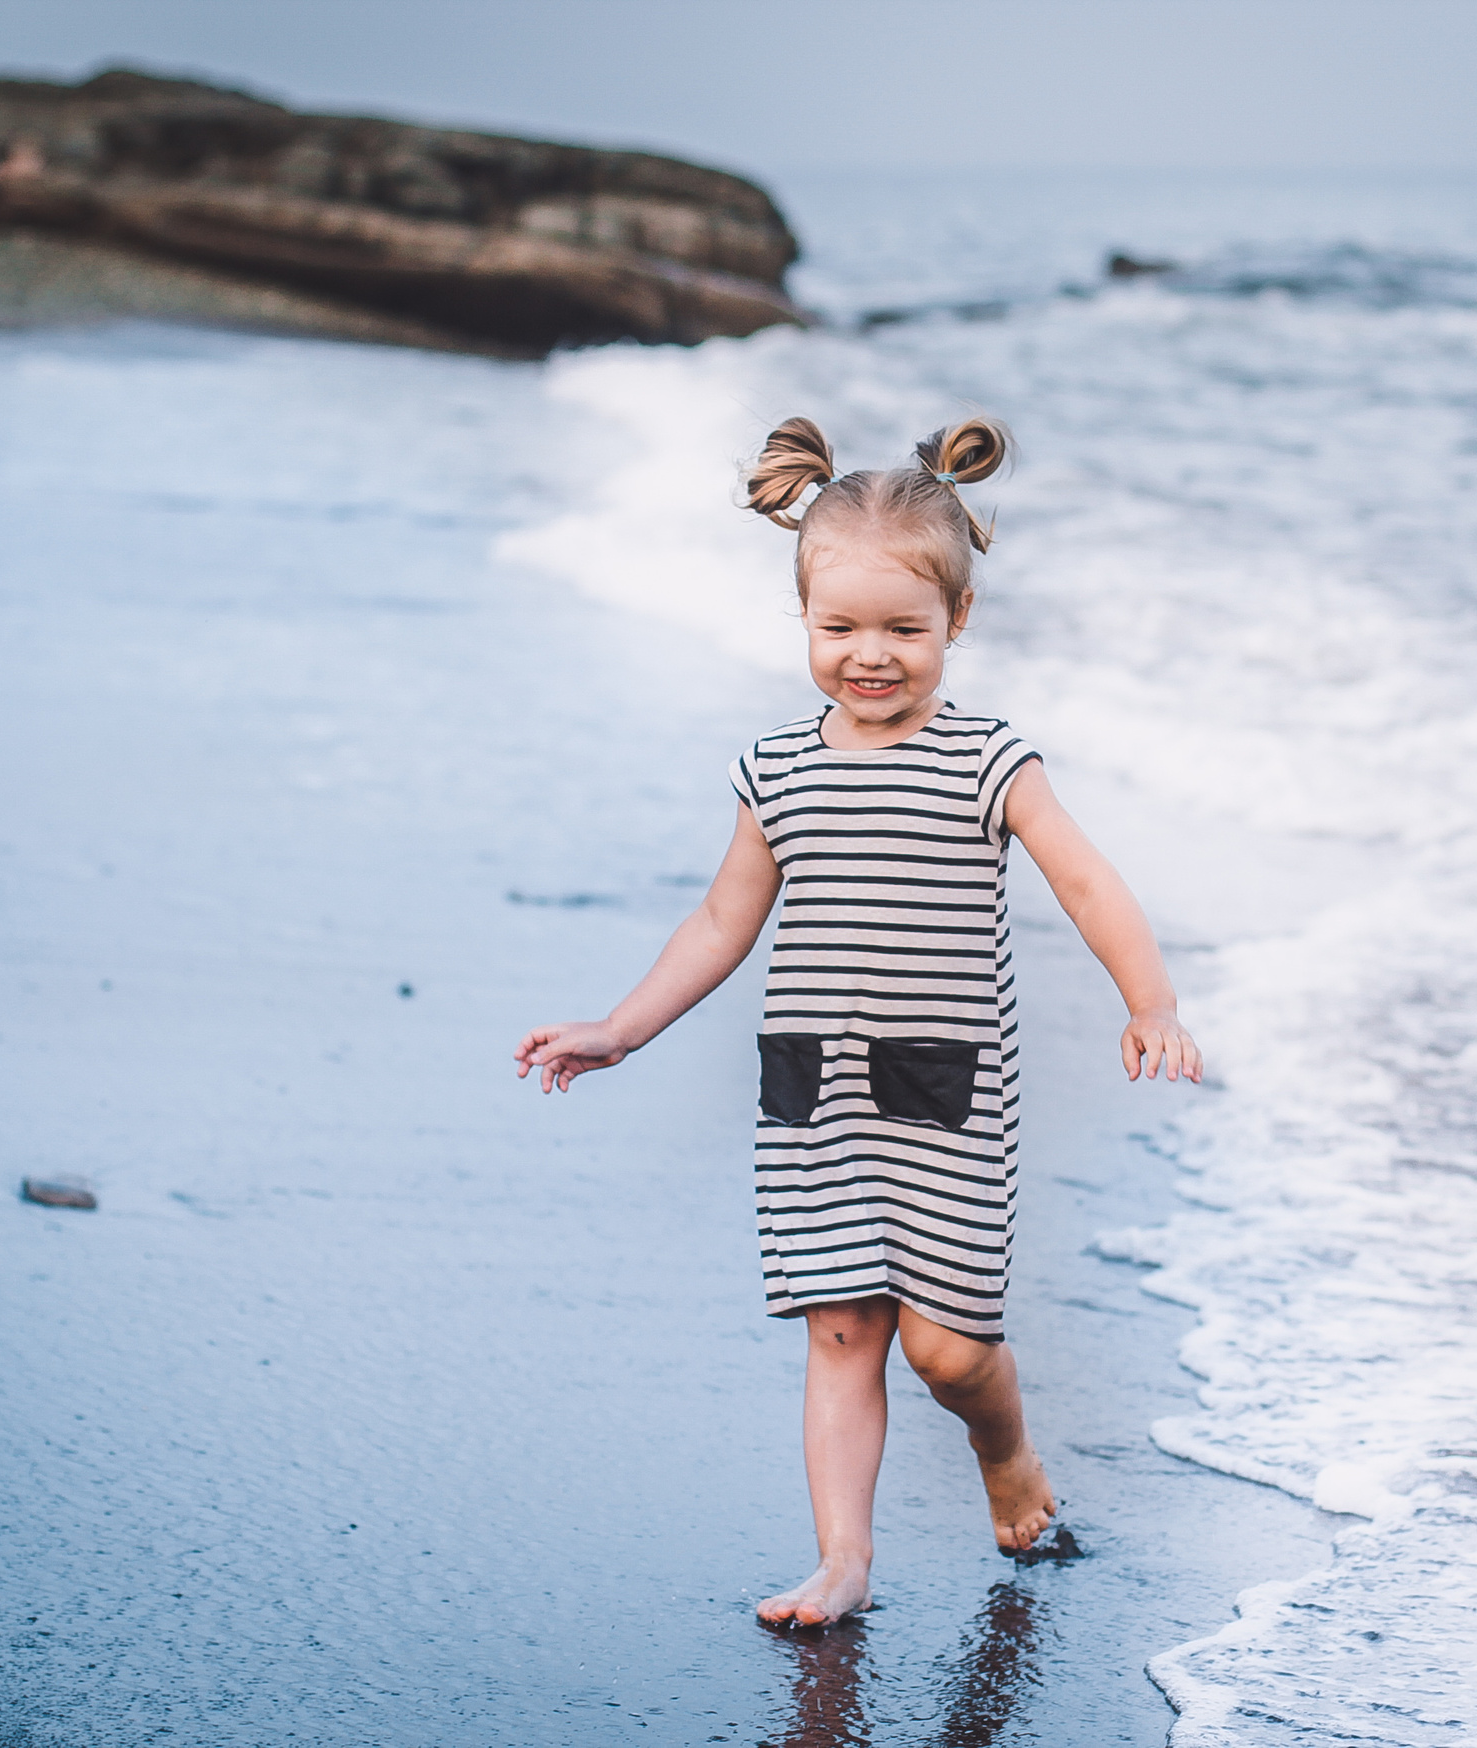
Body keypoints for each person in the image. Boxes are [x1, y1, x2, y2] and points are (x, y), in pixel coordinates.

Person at [514, 414, 1202, 1628]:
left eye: (903, 628)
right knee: (841, 1330)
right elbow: (721, 922)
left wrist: (1149, 1002)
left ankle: (1010, 1460)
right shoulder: (774, 768)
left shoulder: (990, 759)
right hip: (814, 1095)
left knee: (947, 1352)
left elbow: (1087, 881)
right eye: (840, 628)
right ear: (802, 620)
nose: (869, 655)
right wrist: (622, 1028)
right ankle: (843, 1559)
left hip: (948, 1098)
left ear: (959, 622)